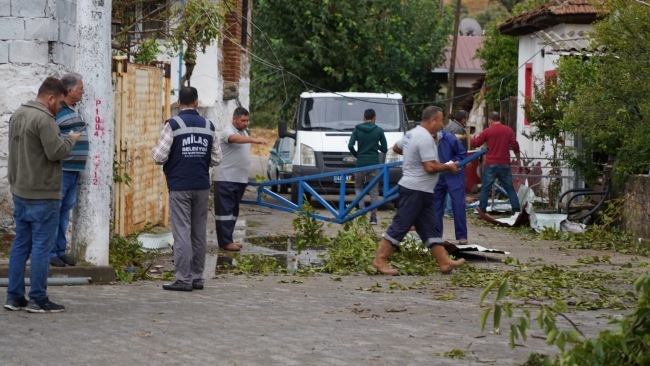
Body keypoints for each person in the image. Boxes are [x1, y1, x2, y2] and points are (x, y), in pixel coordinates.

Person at [5, 77, 81, 313]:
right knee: (41, 248)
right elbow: (55, 152)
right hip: (43, 193)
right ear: (50, 98)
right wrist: (71, 139)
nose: (59, 107)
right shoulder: (45, 119)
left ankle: (14, 296)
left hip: (20, 190)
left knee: (20, 245)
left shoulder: (18, 114)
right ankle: (38, 298)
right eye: (59, 102)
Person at [371, 106, 466, 275]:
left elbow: (396, 147)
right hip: (415, 189)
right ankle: (380, 260)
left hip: (423, 191)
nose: (442, 124)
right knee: (400, 225)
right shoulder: (424, 138)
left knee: (431, 227)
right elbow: (430, 166)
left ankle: (444, 262)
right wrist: (448, 167)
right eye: (441, 120)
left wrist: (411, 155)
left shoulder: (411, 133)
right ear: (432, 121)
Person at [152, 87, 221, 291]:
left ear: (178, 102)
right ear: (197, 102)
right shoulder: (209, 125)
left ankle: (183, 280)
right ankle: (197, 277)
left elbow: (158, 156)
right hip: (201, 185)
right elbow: (217, 159)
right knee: (199, 233)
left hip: (180, 186)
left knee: (181, 233)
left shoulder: (172, 125)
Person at [213, 107, 267, 251]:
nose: (245, 123)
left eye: (247, 120)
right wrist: (255, 140)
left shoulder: (243, 132)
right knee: (224, 212)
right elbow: (233, 139)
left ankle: (228, 239)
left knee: (233, 212)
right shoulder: (227, 131)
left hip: (239, 179)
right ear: (234, 119)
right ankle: (225, 241)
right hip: (226, 178)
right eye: (243, 120)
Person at [49, 73, 88, 268]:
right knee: (56, 211)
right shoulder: (57, 112)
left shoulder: (74, 110)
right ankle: (51, 252)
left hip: (74, 170)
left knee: (65, 211)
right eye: (80, 88)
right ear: (70, 90)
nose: (83, 91)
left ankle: (60, 251)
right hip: (62, 169)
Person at [470, 111, 521, 214]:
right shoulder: (508, 130)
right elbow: (515, 145)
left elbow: (476, 143)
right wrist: (518, 159)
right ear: (499, 119)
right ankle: (516, 211)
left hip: (490, 164)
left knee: (485, 188)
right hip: (505, 164)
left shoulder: (487, 131)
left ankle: (482, 211)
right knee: (510, 188)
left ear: (490, 120)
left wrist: (471, 138)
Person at [347, 108, 388, 225]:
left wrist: (358, 155)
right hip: (374, 164)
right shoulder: (379, 130)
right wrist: (375, 145)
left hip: (360, 164)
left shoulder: (357, 129)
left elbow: (350, 145)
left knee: (359, 187)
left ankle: (362, 211)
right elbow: (384, 149)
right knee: (374, 190)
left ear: (363, 118)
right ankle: (373, 218)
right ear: (374, 118)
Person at [433, 128, 469, 246]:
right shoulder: (425, 139)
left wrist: (451, 163)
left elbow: (462, 154)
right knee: (436, 206)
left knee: (458, 204)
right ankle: (437, 236)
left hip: (454, 175)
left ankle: (462, 236)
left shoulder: (449, 139)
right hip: (437, 176)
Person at [442, 110, 469, 217]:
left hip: (446, 159)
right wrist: (464, 160)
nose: (467, 120)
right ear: (463, 119)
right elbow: (460, 147)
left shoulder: (449, 126)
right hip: (455, 160)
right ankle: (449, 210)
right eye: (466, 118)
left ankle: (445, 208)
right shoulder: (458, 129)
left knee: (446, 184)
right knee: (454, 186)